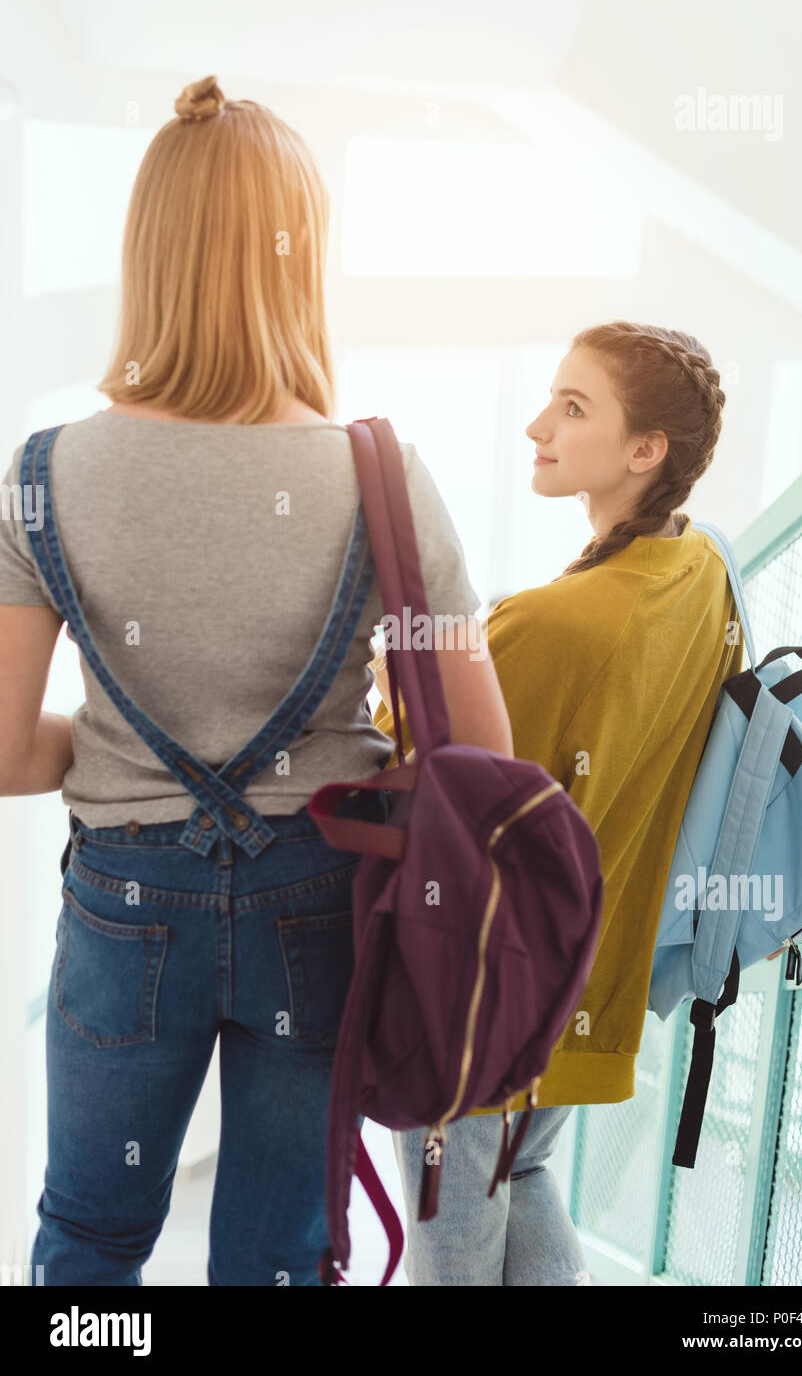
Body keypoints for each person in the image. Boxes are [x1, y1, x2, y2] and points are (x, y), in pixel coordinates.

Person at [0, 74, 513, 1287]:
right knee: (280, 1257)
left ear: (149, 251)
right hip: (318, 911)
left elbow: (10, 753)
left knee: (89, 1238)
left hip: (126, 912)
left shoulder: (42, 475)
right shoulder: (381, 475)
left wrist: (125, 751)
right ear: (297, 257)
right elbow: (484, 756)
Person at [373, 321, 761, 1285]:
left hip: (473, 980)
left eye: (574, 407)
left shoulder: (548, 622)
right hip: (585, 975)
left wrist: (388, 667)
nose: (537, 424)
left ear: (645, 451)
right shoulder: (701, 575)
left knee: (451, 1221)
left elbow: (416, 757)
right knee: (528, 1170)